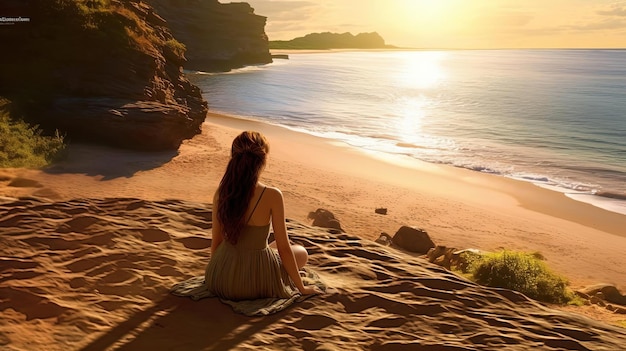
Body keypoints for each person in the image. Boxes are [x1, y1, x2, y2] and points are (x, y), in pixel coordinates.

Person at [205, 131, 320, 300]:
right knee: (301, 252)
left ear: (233, 157)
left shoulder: (222, 193)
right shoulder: (272, 195)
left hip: (220, 280)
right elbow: (284, 249)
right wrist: (301, 288)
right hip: (252, 283)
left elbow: (216, 243)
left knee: (269, 246)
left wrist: (217, 273)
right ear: (263, 160)